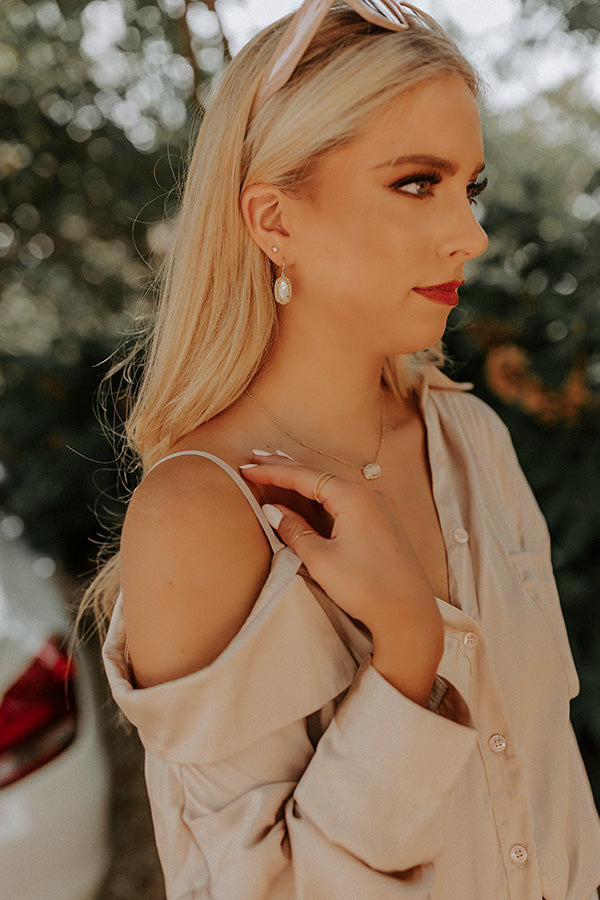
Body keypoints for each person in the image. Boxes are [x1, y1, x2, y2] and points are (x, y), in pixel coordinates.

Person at [84, 1, 600, 897]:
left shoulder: (471, 437)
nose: (471, 235)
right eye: (417, 183)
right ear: (274, 220)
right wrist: (406, 650)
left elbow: (548, 789)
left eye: (470, 188)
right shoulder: (200, 516)